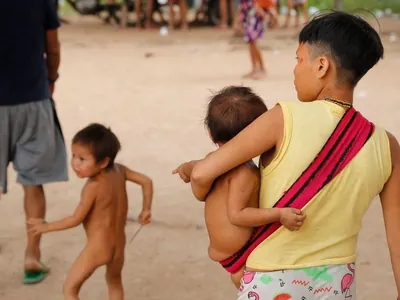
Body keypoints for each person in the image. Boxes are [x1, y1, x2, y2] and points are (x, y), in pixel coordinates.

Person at [177, 11, 400, 299]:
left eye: (299, 60)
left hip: (271, 282)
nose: (294, 70)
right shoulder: (387, 145)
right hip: (336, 283)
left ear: (322, 66)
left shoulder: (283, 117)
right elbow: (396, 228)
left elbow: (202, 173)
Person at [173, 86, 305, 288]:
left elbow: (196, 176)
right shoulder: (244, 173)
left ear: (211, 134)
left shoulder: (210, 163)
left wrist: (185, 168)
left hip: (229, 252)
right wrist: (279, 214)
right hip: (241, 254)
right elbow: (237, 215)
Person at [28, 124, 154, 300]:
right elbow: (146, 181)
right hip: (119, 245)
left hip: (98, 247)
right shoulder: (120, 171)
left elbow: (75, 219)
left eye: (82, 159)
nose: (75, 164)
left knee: (70, 289)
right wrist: (146, 209)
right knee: (114, 282)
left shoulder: (93, 187)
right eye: (74, 156)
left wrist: (46, 227)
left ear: (103, 162)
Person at [0, 0, 68, 284]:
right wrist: (51, 78)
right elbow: (52, 47)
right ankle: (32, 256)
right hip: (32, 98)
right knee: (33, 182)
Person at [240, 0, 271, 79]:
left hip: (253, 13)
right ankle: (255, 68)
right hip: (248, 12)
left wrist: (259, 9)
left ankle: (261, 67)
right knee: (251, 42)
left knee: (253, 40)